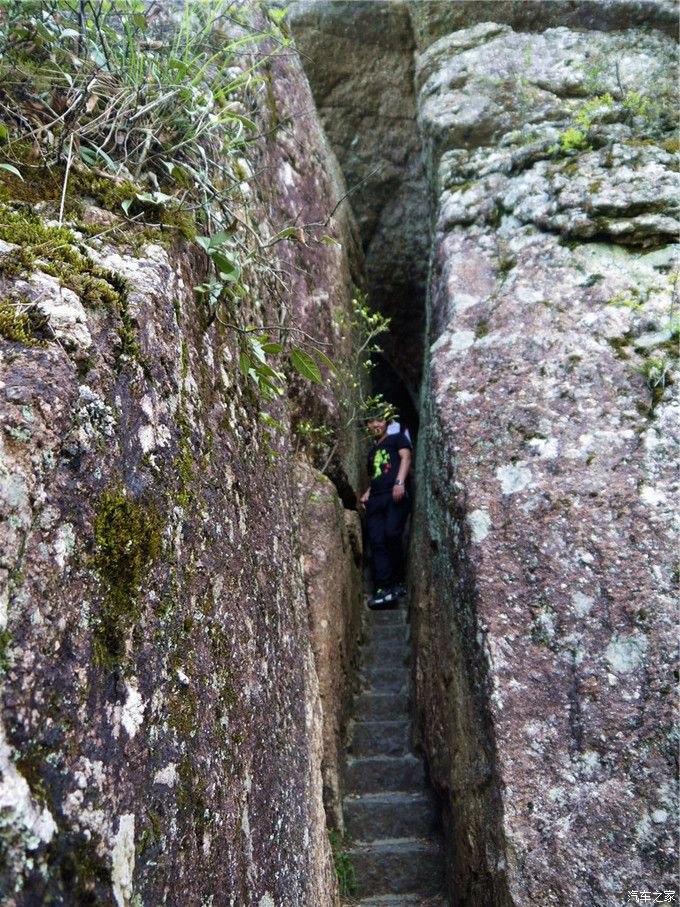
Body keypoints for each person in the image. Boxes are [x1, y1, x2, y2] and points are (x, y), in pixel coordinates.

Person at [359, 406, 412, 609]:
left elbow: (405, 458)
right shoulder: (372, 452)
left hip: (394, 494)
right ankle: (383, 588)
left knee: (391, 534)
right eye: (370, 422)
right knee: (377, 542)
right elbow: (376, 475)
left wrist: (399, 483)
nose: (375, 425)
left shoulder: (397, 438)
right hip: (376, 499)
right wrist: (367, 493)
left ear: (387, 422)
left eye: (378, 420)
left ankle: (397, 581)